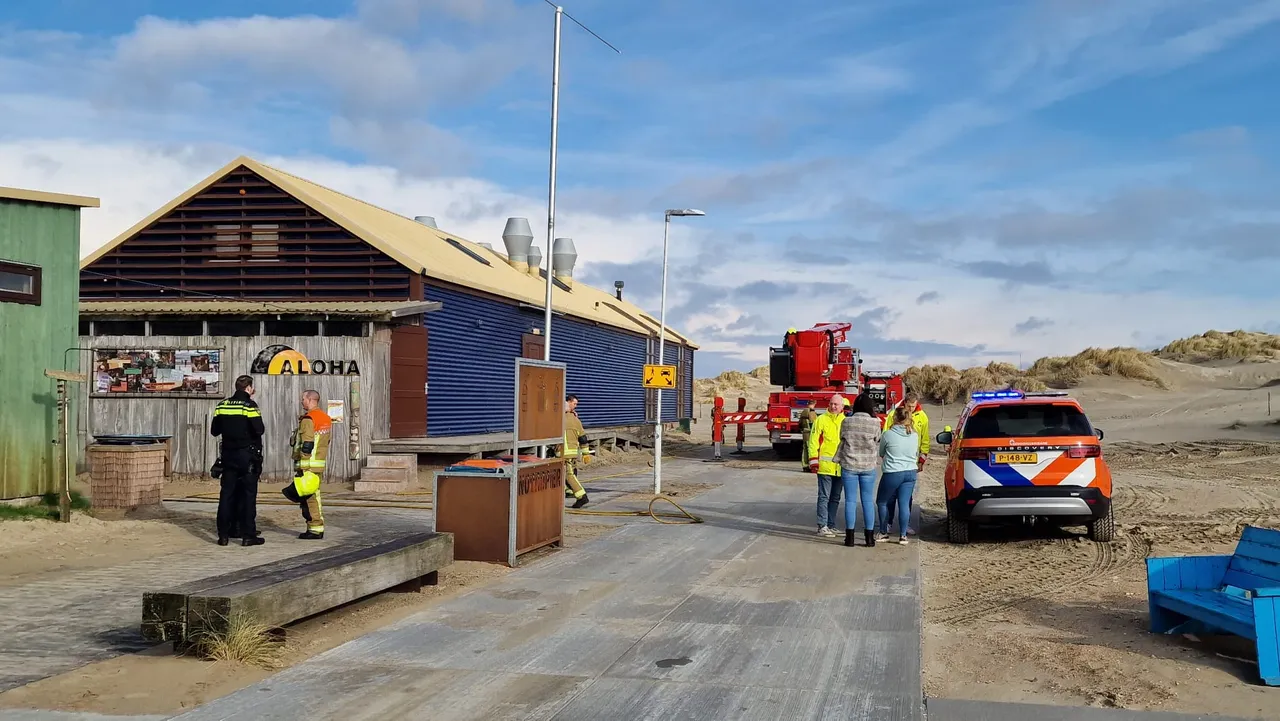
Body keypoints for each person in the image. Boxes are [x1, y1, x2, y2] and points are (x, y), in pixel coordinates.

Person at [210, 375, 265, 547]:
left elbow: (214, 430)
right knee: (248, 495)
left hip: (228, 456)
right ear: (249, 388)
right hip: (247, 456)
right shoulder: (249, 405)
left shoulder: (223, 405)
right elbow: (259, 429)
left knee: (226, 495)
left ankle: (224, 535)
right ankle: (248, 535)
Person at [834, 393, 882, 547]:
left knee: (850, 501)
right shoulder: (875, 423)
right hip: (868, 466)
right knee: (868, 501)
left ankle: (850, 538)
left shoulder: (846, 421)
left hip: (849, 465)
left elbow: (842, 438)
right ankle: (869, 538)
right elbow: (877, 440)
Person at [282, 390, 330, 540]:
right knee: (315, 497)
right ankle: (316, 527)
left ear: (310, 400)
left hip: (307, 466)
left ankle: (314, 529)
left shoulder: (309, 419)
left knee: (309, 499)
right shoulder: (325, 418)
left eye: (303, 399)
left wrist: (303, 463)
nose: (301, 401)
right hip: (318, 464)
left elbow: (307, 443)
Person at [882, 389, 929, 535]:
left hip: (911, 463)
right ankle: (888, 522)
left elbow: (925, 440)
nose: (911, 409)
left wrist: (922, 459)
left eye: (914, 407)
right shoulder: (894, 414)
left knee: (906, 497)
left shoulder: (922, 417)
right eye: (909, 406)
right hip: (894, 462)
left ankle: (905, 525)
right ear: (904, 403)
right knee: (891, 496)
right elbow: (886, 434)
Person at [876, 405, 921, 545]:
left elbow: (881, 452)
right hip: (910, 472)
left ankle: (883, 532)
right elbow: (916, 453)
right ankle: (903, 536)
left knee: (882, 501)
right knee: (904, 504)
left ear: (895, 418)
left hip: (893, 471)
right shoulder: (914, 435)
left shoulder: (888, 434)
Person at [807, 394, 847, 537]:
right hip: (824, 466)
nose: (833, 406)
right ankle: (822, 525)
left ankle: (831, 524)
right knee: (824, 496)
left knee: (835, 498)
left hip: (840, 467)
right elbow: (813, 441)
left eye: (836, 404)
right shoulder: (821, 420)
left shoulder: (846, 421)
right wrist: (813, 461)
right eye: (831, 403)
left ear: (842, 406)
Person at [559, 394, 590, 509]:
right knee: (569, 473)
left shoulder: (559, 419)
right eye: (574, 404)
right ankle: (568, 491)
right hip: (572, 452)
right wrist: (586, 453)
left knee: (569, 475)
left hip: (563, 452)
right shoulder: (575, 419)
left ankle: (581, 496)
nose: (575, 406)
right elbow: (583, 438)